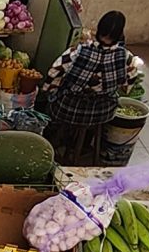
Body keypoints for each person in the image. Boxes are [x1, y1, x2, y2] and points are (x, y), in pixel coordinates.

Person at [39, 10, 132, 161]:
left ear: (99, 28)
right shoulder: (126, 57)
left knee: (55, 97)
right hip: (103, 111)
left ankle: (57, 140)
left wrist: (50, 91)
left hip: (69, 108)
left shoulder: (78, 51)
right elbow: (126, 86)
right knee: (110, 99)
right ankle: (86, 145)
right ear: (119, 34)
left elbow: (54, 72)